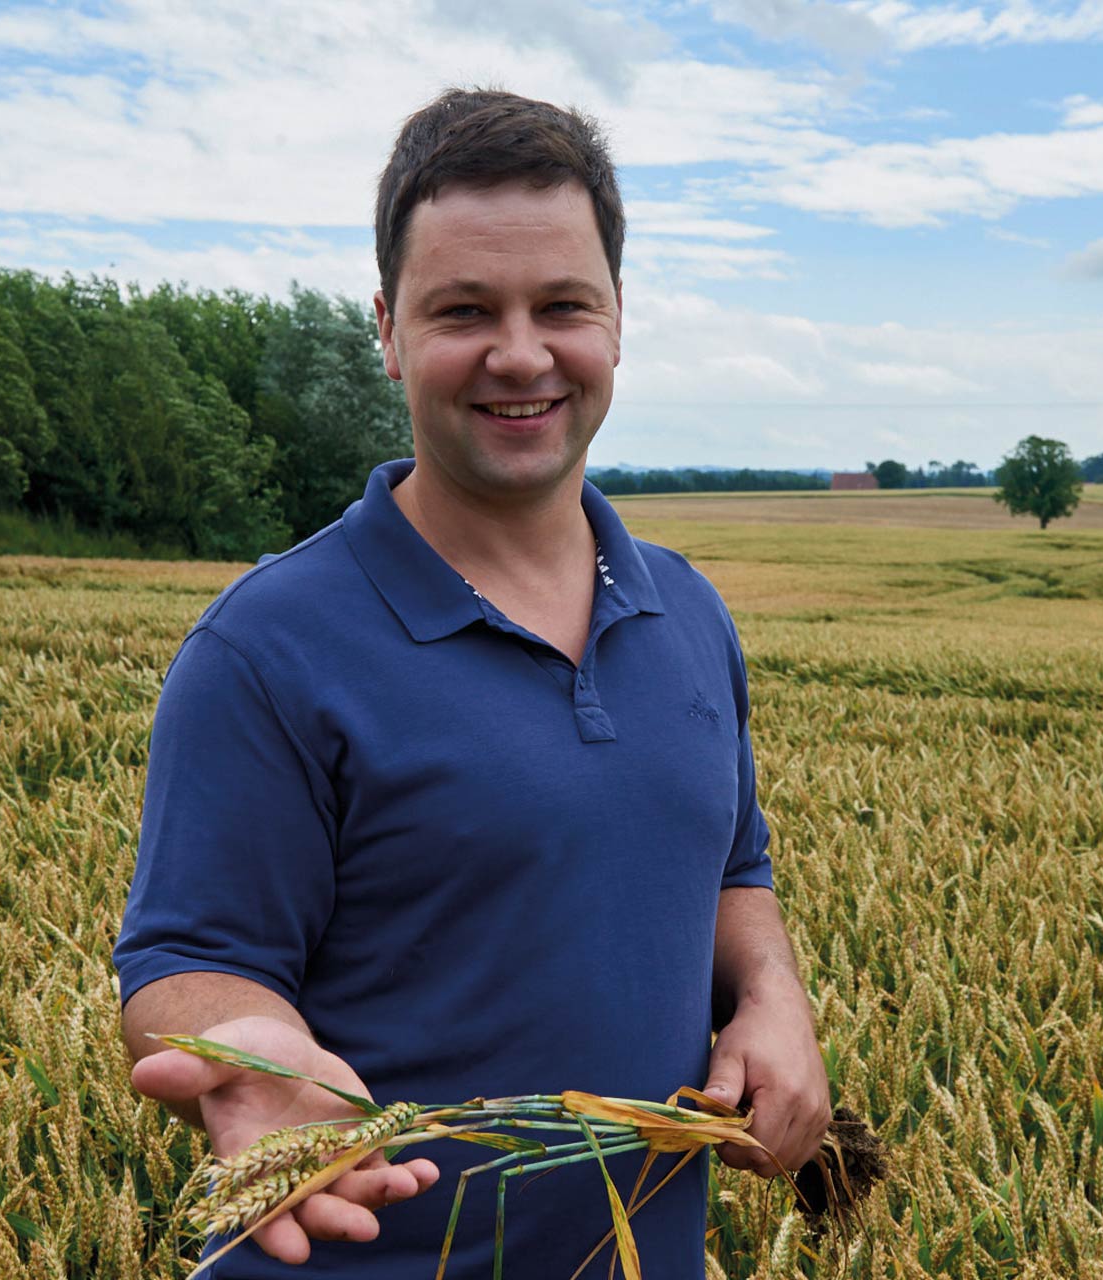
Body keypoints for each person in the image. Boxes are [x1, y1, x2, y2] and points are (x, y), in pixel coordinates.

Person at [115, 87, 830, 1278]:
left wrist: (773, 994)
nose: (520, 352)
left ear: (616, 320)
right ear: (390, 330)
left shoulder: (688, 611)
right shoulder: (266, 647)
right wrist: (253, 1056)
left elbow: (731, 867)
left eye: (562, 305)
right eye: (464, 310)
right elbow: (189, 962)